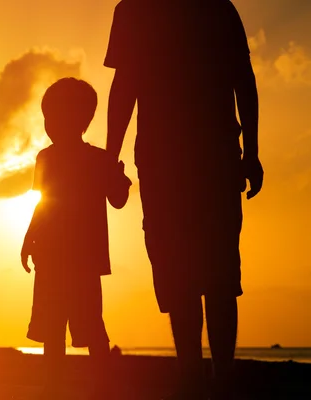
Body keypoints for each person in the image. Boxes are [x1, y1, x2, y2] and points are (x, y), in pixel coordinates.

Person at [103, 1, 264, 399]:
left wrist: (252, 152)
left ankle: (211, 374)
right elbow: (125, 85)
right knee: (193, 270)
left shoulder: (212, 9)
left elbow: (242, 78)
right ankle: (197, 373)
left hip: (205, 157)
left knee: (212, 271)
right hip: (179, 159)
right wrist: (109, 158)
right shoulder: (140, 11)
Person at [21, 77, 132, 399]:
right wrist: (29, 239)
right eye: (47, 117)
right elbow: (42, 203)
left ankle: (100, 386)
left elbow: (118, 198)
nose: (50, 124)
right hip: (54, 256)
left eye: (54, 117)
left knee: (90, 325)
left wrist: (120, 177)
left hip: (78, 259)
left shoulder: (98, 160)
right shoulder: (49, 158)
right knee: (53, 329)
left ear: (79, 120)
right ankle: (53, 386)